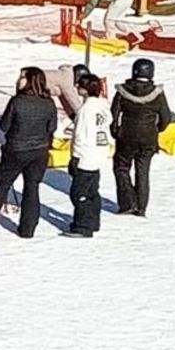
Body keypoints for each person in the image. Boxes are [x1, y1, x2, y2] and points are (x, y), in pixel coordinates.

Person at [0, 67, 57, 238]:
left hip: (16, 150)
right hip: (39, 152)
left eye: (22, 77)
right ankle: (27, 229)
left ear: (30, 81)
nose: (18, 80)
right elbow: (52, 128)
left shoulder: (17, 101)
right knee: (32, 188)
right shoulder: (49, 103)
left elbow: (4, 126)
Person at [111, 57, 174, 218]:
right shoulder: (157, 93)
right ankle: (141, 207)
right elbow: (166, 117)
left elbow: (114, 114)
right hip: (148, 139)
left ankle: (127, 203)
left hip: (126, 136)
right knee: (143, 172)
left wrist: (115, 131)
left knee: (121, 167)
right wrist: (156, 130)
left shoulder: (123, 91)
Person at [64, 73, 111, 238]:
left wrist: (75, 157)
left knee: (79, 192)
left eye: (79, 85)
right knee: (93, 190)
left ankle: (83, 226)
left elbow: (81, 136)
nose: (76, 87)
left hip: (85, 154)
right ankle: (93, 220)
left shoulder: (85, 110)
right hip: (99, 152)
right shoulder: (103, 106)